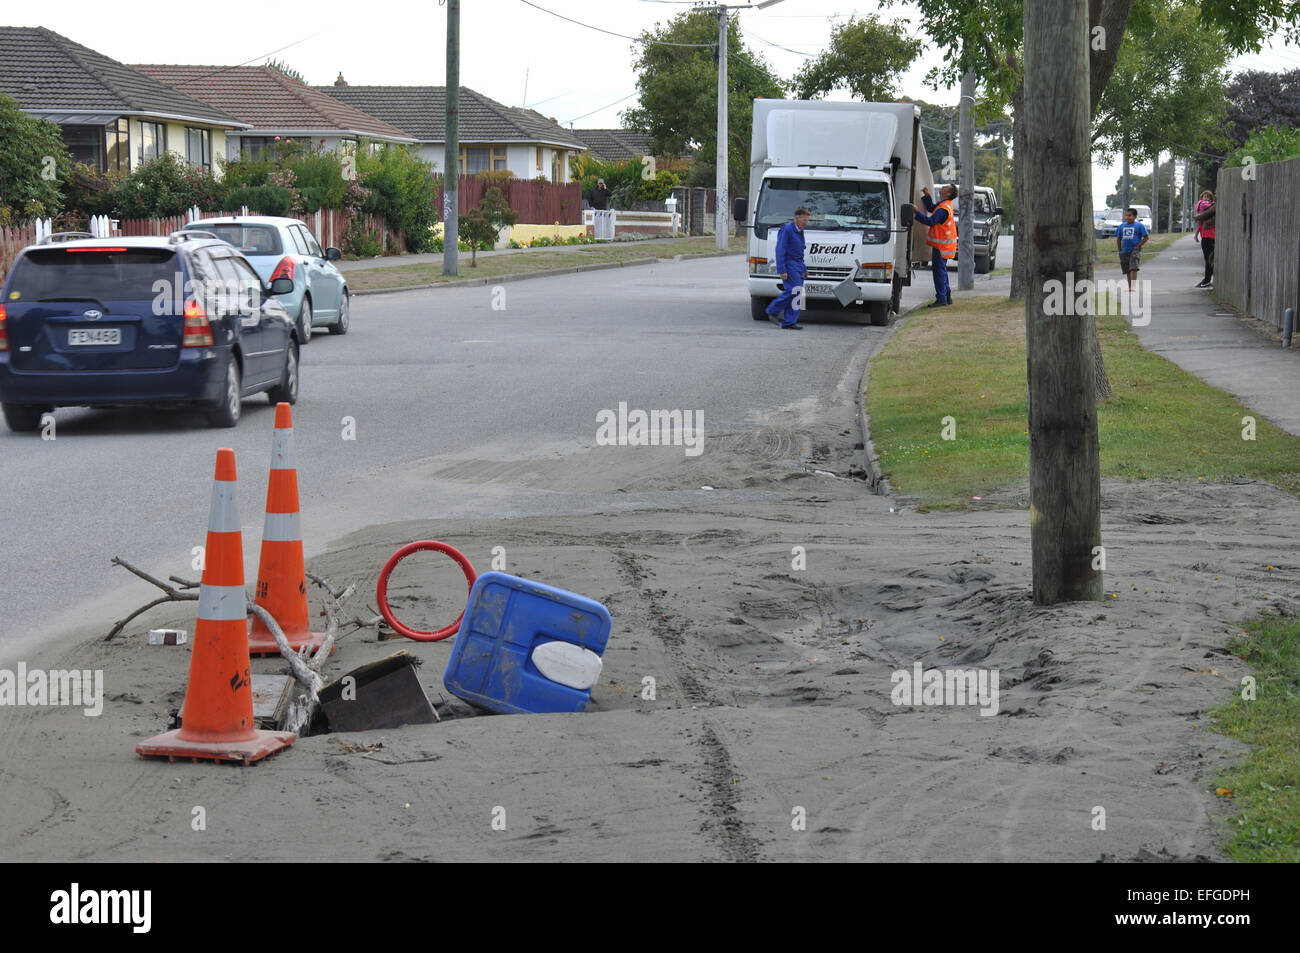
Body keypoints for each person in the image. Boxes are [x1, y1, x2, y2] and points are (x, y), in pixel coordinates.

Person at [765, 206, 810, 329]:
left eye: (807, 220)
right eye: (804, 220)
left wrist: (804, 268)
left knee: (797, 293)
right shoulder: (787, 230)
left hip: (798, 265)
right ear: (796, 218)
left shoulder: (800, 231)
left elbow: (800, 252)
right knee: (792, 290)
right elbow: (780, 250)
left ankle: (789, 322)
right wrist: (782, 270)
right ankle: (772, 310)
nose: (806, 223)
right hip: (790, 265)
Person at [914, 184, 957, 307]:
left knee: (939, 272)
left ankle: (941, 299)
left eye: (946, 187)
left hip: (941, 246)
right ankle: (946, 296)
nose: (943, 187)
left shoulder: (944, 208)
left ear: (948, 193)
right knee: (942, 271)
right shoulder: (944, 204)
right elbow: (933, 208)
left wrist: (917, 212)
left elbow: (931, 221)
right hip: (943, 245)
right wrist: (927, 197)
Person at [1116, 207, 1149, 291]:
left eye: (1129, 215)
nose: (1127, 217)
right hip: (1124, 250)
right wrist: (1120, 250)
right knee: (1127, 269)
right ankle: (1129, 286)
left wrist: (1137, 246)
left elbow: (1146, 237)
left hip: (1135, 250)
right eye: (1126, 215)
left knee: (1133, 267)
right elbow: (1118, 239)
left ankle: (1133, 286)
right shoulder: (1121, 226)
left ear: (1134, 216)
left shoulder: (1139, 226)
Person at [1194, 189, 1215, 288]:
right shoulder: (1205, 207)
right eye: (1204, 197)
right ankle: (1206, 279)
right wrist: (1196, 234)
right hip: (1205, 235)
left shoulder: (1212, 207)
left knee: (1209, 259)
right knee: (1208, 259)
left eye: (1208, 197)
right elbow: (1200, 223)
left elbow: (1203, 216)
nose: (1206, 199)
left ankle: (1207, 280)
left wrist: (1197, 217)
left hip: (1209, 235)